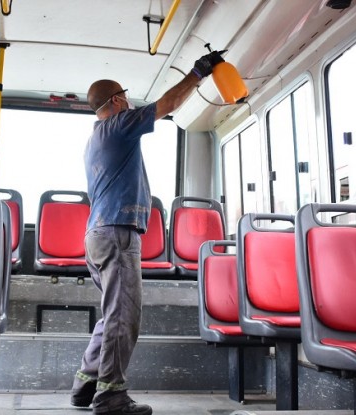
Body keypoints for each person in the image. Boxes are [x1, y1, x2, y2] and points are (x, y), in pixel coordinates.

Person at [70, 51, 222, 415]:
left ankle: (85, 385)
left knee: (111, 314)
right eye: (126, 96)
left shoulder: (96, 138)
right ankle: (111, 396)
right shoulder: (119, 125)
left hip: (99, 235)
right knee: (124, 316)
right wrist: (198, 73)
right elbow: (167, 103)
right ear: (118, 100)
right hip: (117, 235)